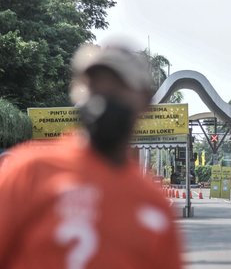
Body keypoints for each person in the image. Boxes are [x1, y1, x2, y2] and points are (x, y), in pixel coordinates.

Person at [0, 42, 183, 268]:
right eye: (94, 87)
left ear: (145, 101)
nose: (103, 100)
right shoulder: (27, 171)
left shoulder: (153, 204)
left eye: (117, 89)